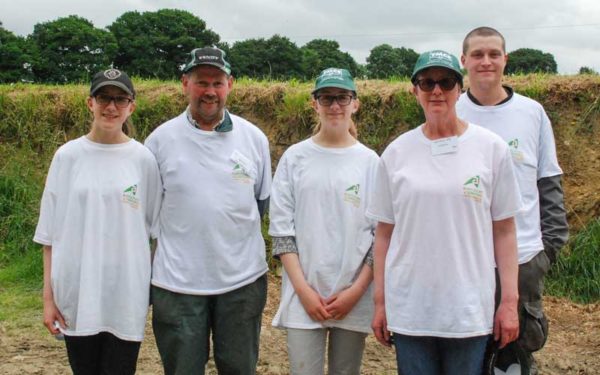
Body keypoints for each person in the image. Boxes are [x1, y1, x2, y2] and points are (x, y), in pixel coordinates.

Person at [367, 50, 523, 375]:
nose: (436, 91)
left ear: (459, 89)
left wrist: (509, 302)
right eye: (427, 82)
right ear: (415, 91)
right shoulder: (395, 154)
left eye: (446, 82)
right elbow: (383, 234)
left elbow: (505, 231)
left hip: (467, 310)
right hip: (411, 309)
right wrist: (381, 302)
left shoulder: (491, 149)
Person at [145, 46, 271, 375]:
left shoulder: (254, 139)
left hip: (241, 283)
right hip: (178, 285)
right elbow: (148, 212)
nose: (210, 91)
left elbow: (260, 204)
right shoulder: (159, 141)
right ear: (185, 83)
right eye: (202, 82)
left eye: (217, 82)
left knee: (240, 368)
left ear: (230, 84)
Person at [34, 68, 162, 374]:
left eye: (120, 99)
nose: (111, 106)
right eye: (104, 97)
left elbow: (155, 231)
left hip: (125, 294)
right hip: (77, 292)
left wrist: (150, 288)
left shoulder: (143, 159)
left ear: (132, 105)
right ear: (90, 102)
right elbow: (50, 235)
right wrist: (48, 299)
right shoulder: (67, 157)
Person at [457, 26, 569, 374]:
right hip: (466, 259)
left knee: (516, 358)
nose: (486, 61)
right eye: (477, 55)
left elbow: (548, 183)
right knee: (468, 352)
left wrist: (546, 250)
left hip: (522, 258)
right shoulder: (450, 109)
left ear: (505, 59)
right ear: (464, 61)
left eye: (493, 54)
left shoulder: (532, 113)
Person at [269, 68, 378, 375]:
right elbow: (281, 232)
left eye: (342, 97)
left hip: (352, 297)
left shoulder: (370, 162)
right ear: (314, 103)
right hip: (303, 295)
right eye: (326, 98)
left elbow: (379, 233)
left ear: (354, 103)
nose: (334, 106)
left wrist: (355, 291)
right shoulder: (294, 158)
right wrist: (303, 290)